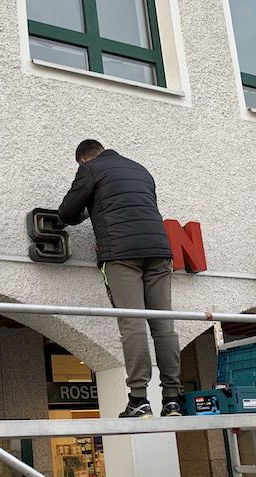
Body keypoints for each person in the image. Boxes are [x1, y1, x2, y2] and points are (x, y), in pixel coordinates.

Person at [58, 140, 182, 418]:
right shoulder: (141, 170)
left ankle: (139, 399)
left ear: (83, 160)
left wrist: (83, 211)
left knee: (133, 324)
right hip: (159, 252)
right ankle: (172, 399)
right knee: (164, 326)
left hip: (121, 253)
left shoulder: (90, 170)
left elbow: (67, 211)